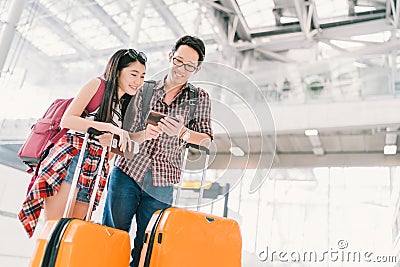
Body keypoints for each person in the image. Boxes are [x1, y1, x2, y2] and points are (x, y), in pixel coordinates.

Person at [18, 48, 162, 237]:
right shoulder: (97, 85)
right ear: (117, 71)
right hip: (72, 159)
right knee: (54, 229)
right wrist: (109, 128)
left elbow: (123, 139)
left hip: (96, 167)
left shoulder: (125, 104)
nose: (138, 81)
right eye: (133, 74)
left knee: (74, 233)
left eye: (142, 76)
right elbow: (68, 120)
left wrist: (145, 134)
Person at [102, 35, 213, 267]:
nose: (182, 69)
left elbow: (206, 141)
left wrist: (183, 133)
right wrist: (142, 134)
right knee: (112, 235)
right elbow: (124, 132)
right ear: (170, 56)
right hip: (127, 172)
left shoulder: (199, 98)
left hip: (162, 181)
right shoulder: (144, 88)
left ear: (198, 69)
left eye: (190, 66)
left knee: (150, 245)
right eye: (178, 60)